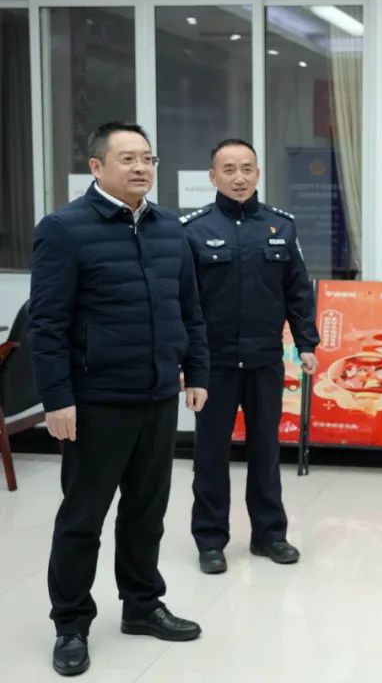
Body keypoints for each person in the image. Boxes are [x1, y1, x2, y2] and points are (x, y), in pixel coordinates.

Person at [30, 121, 210, 677]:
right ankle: (71, 624)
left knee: (146, 511)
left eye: (147, 158)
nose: (141, 168)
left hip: (157, 394)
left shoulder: (169, 228)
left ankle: (141, 605)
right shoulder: (64, 229)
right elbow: (47, 323)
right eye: (128, 158)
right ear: (97, 166)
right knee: (83, 517)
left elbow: (189, 309)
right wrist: (56, 398)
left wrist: (196, 370)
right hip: (95, 400)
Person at [181, 139, 320, 575]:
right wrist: (185, 361)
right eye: (228, 169)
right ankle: (210, 541)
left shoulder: (281, 227)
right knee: (210, 454)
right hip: (214, 365)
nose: (238, 177)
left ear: (258, 174)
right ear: (213, 176)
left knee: (266, 449)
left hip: (264, 361)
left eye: (246, 168)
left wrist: (307, 343)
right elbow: (184, 303)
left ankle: (269, 535)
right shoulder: (193, 230)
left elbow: (298, 291)